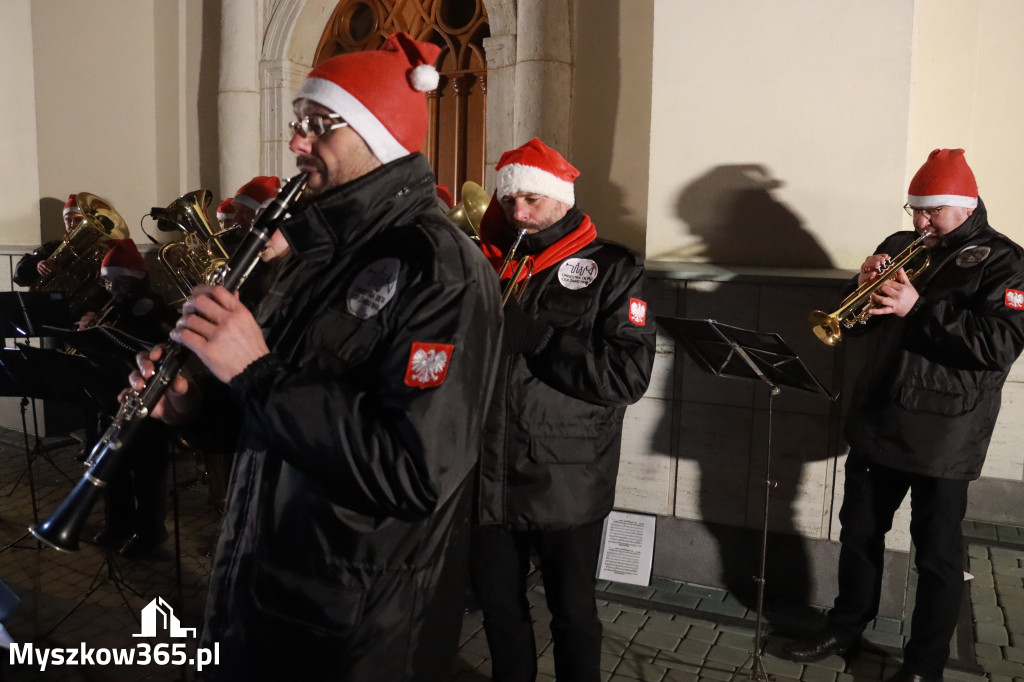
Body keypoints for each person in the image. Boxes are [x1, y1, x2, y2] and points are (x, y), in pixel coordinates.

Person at [128, 32, 501, 680]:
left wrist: (255, 371)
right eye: (297, 123)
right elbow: (276, 419)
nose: (297, 143)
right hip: (265, 594)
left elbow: (415, 471)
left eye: (318, 124)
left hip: (353, 628)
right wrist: (199, 410)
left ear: (380, 133)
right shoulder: (315, 255)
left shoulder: (440, 270)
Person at [782, 149, 1024, 682]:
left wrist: (920, 309)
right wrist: (859, 289)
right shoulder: (899, 245)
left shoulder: (1006, 261)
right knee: (859, 533)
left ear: (965, 206)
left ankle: (925, 664)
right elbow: (861, 323)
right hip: (881, 416)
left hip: (947, 432)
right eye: (915, 210)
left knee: (936, 555)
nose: (920, 223)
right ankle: (845, 625)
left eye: (933, 211)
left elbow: (999, 345)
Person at [470, 137, 656, 682]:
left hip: (565, 478)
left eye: (532, 199)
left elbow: (626, 377)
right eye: (510, 201)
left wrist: (543, 340)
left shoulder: (614, 267)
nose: (519, 213)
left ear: (561, 199)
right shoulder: (486, 264)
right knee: (499, 610)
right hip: (485, 471)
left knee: (572, 613)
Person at [77, 239, 177, 557]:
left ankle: (150, 531)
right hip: (112, 396)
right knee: (112, 467)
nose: (111, 288)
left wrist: (105, 333)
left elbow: (149, 345)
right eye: (107, 282)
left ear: (135, 277)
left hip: (147, 399)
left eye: (117, 281)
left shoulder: (153, 307)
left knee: (148, 470)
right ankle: (117, 525)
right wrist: (88, 332)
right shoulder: (111, 307)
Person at [12, 194, 83, 287]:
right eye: (68, 220)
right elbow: (19, 275)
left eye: (78, 219)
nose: (72, 224)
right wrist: (37, 265)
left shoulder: (99, 248)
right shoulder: (52, 247)